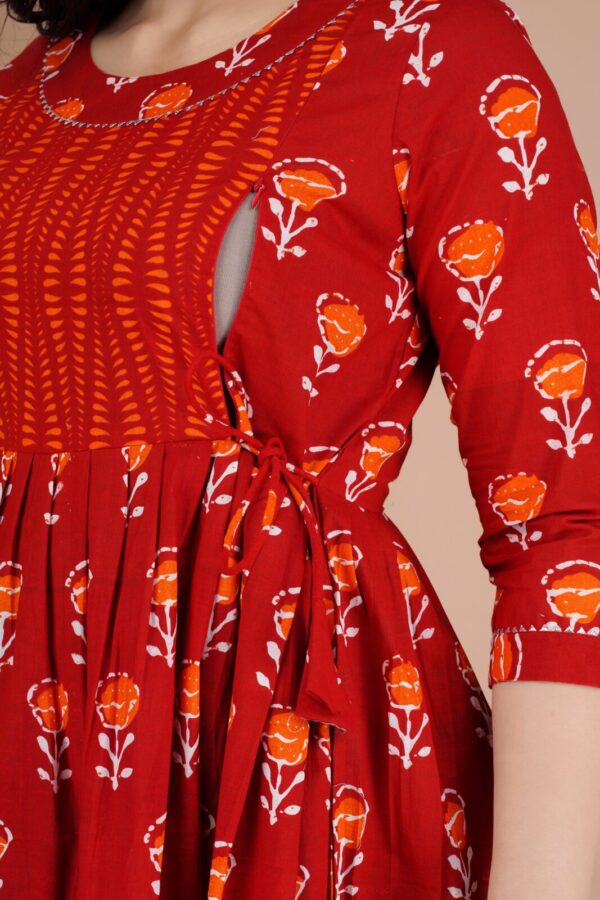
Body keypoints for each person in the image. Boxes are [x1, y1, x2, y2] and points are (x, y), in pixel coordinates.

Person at [0, 0, 598, 897]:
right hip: (31, 768)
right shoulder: (23, 95)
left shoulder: (427, 44)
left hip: (292, 784)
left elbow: (566, 543)